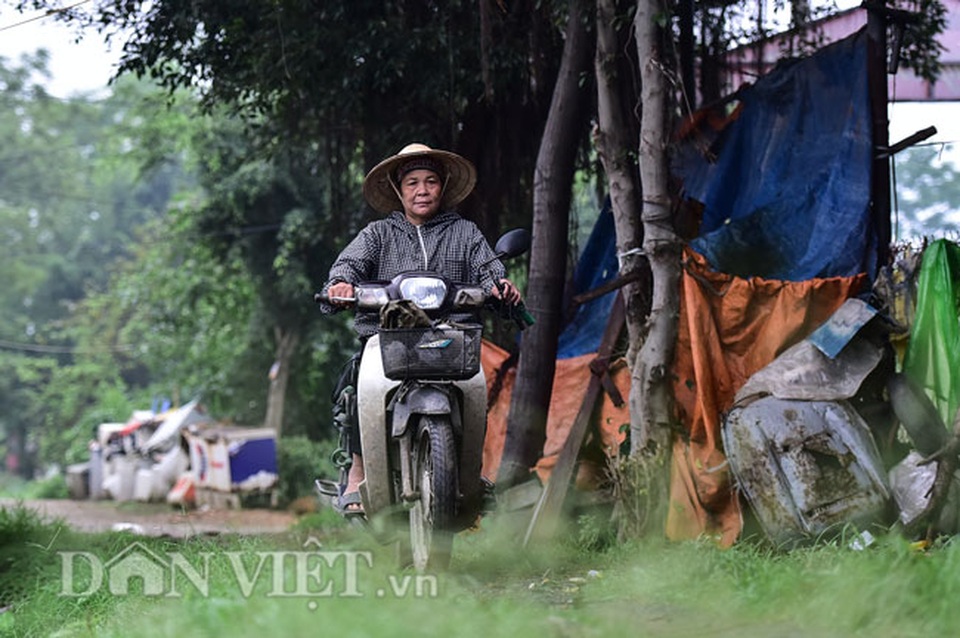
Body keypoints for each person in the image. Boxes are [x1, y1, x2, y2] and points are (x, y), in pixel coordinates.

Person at [318, 142, 522, 514]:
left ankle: (469, 472)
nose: (422, 190)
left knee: (476, 387)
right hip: (389, 336)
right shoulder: (378, 234)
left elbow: (488, 266)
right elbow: (348, 264)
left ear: (442, 187)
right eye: (412, 182)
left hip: (451, 334)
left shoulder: (464, 231)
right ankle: (358, 472)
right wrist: (342, 284)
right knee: (360, 381)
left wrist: (499, 284)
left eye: (430, 181)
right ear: (399, 189)